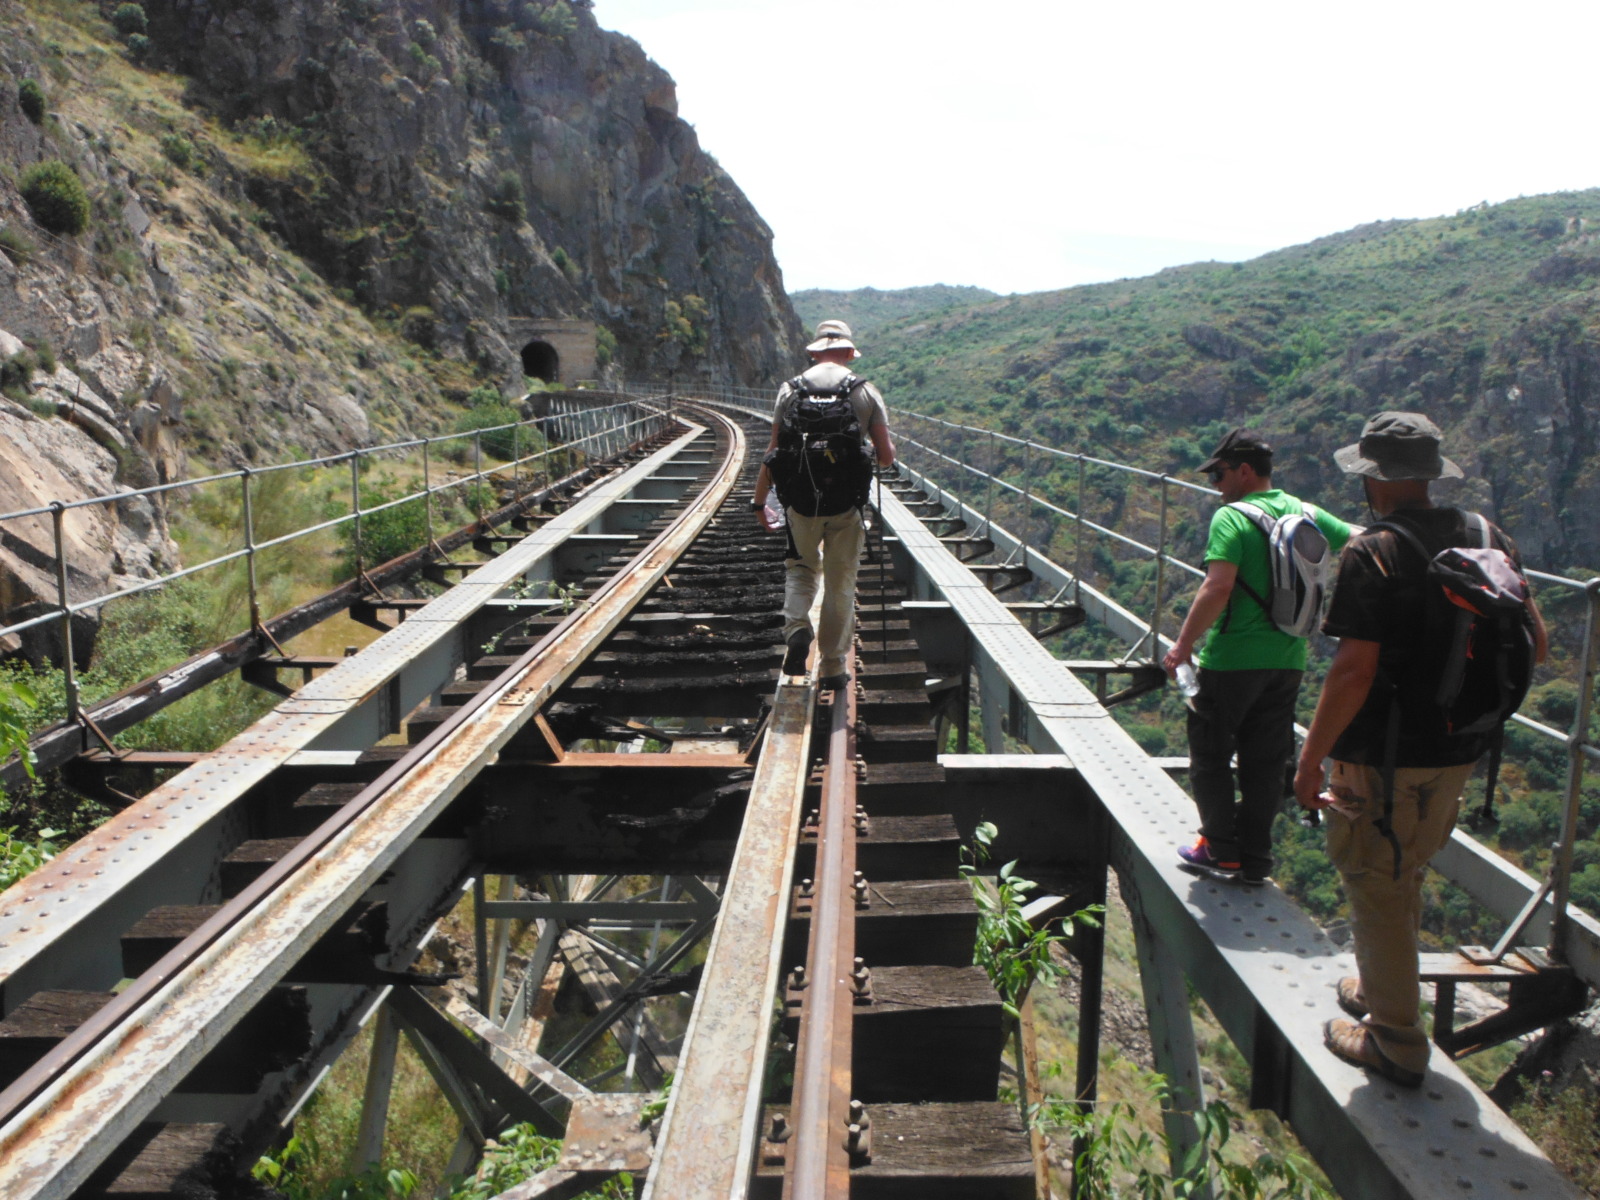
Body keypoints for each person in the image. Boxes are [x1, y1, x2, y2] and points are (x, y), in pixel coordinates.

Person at [1291, 412, 1547, 1088]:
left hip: (1381, 755)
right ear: (1432, 475)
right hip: (1461, 749)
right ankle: (1382, 989)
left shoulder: (1373, 551)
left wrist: (1311, 758)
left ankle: (1395, 1041)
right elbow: (1537, 645)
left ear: (1374, 479)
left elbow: (1353, 671)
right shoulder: (1491, 537)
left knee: (1375, 879)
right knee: (1405, 867)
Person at [1162, 428, 1353, 884]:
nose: (1216, 485)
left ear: (1245, 471)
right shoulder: (1307, 512)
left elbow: (1218, 586)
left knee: (1210, 756)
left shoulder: (1231, 518)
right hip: (1289, 660)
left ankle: (1220, 848)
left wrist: (1184, 645)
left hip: (1230, 661)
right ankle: (1256, 858)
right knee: (1266, 763)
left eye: (1221, 474)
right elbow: (1357, 540)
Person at [752, 319, 896, 690]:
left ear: (813, 352)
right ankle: (832, 666)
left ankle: (798, 629)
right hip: (846, 506)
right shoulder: (865, 392)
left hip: (800, 503)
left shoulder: (790, 390)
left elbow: (774, 452)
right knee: (840, 583)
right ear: (849, 353)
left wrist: (759, 502)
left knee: (800, 569)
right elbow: (885, 459)